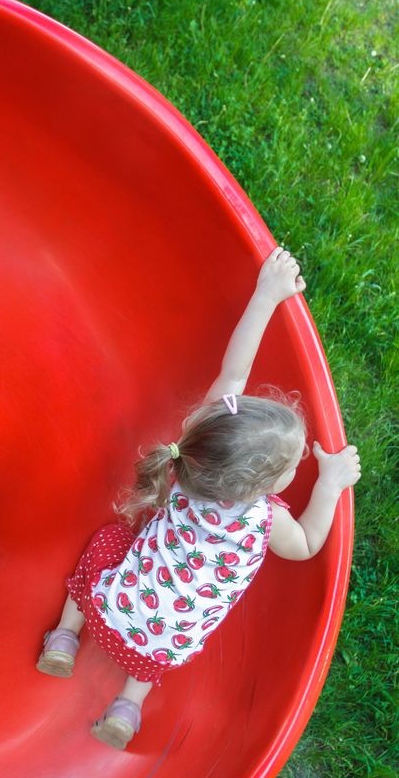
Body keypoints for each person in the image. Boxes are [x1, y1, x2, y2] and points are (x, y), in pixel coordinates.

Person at [36, 245, 361, 750]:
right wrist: (330, 483)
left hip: (113, 604)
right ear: (263, 488)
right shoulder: (267, 521)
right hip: (163, 645)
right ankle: (127, 706)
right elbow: (310, 542)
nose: (298, 467)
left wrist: (266, 296)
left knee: (109, 542)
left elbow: (234, 374)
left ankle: (64, 636)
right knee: (169, 633)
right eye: (292, 466)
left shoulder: (191, 458)